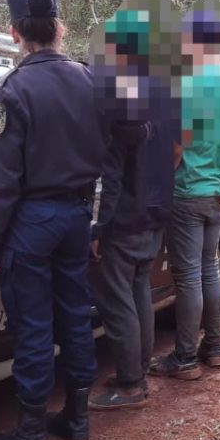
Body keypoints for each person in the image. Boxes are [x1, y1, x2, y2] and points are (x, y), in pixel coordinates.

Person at [0, 0, 108, 440]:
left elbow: (2, 177)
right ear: (59, 29)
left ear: (15, 33)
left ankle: (30, 437)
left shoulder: (12, 90)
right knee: (74, 316)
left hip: (32, 221)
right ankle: (76, 418)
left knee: (33, 327)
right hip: (75, 216)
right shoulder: (91, 80)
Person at [149, 10, 220, 379]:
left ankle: (184, 357)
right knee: (208, 270)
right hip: (218, 189)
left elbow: (176, 145)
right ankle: (213, 347)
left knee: (187, 277)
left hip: (188, 189)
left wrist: (158, 182)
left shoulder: (191, 84)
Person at [86, 115, 175, 409]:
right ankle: (138, 373)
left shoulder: (118, 111)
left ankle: (129, 385)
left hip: (122, 223)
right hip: (153, 217)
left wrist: (96, 227)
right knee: (139, 297)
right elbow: (176, 151)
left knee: (118, 303)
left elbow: (106, 176)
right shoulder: (164, 103)